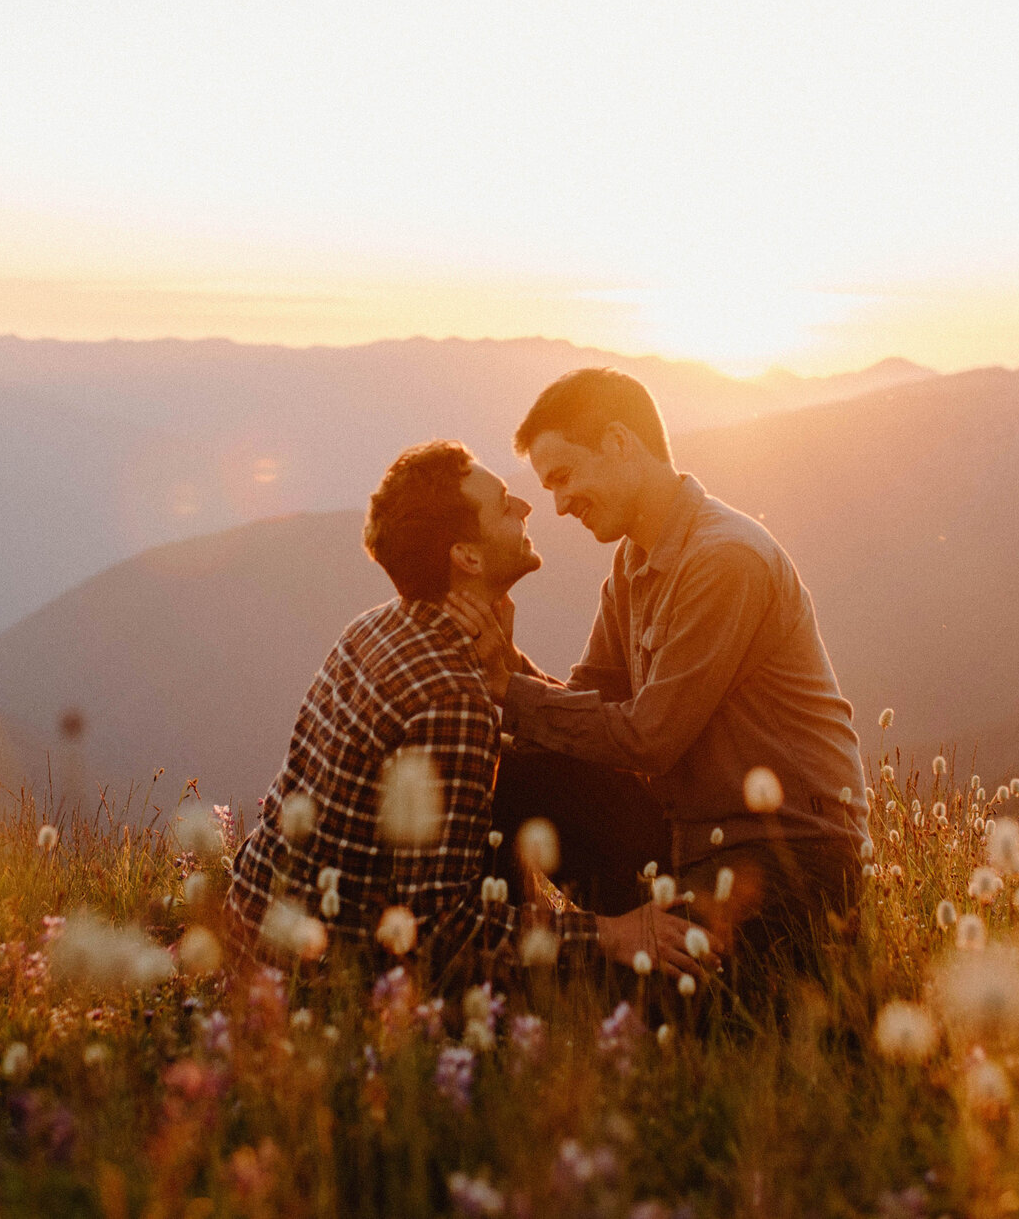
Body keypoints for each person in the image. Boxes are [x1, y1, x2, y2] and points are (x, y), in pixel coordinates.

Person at [223, 438, 702, 985]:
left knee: (522, 771)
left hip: (261, 940)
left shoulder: (373, 629)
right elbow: (441, 933)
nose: (525, 506)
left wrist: (510, 673)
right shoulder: (450, 696)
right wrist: (610, 934)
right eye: (503, 503)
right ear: (467, 556)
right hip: (329, 983)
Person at [449, 368, 869, 971]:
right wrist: (507, 665)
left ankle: (562, 972)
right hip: (683, 840)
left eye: (563, 478)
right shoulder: (632, 563)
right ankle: (492, 962)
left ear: (619, 443)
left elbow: (650, 737)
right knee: (511, 774)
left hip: (786, 856)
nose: (560, 505)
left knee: (640, 993)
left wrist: (506, 688)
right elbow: (586, 705)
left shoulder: (725, 559)